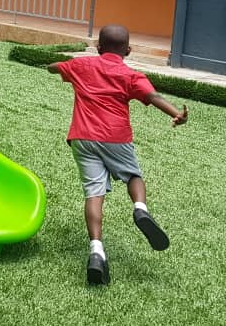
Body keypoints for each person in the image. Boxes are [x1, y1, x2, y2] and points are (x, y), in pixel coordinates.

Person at [47, 24, 189, 286]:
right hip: (116, 137)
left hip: (82, 137)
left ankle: (97, 251)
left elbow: (55, 66)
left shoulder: (82, 65)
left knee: (93, 193)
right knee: (133, 175)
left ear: (99, 47)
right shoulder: (131, 75)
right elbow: (153, 96)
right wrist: (175, 115)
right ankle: (140, 209)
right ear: (129, 50)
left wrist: (56, 66)